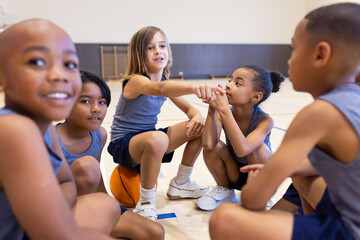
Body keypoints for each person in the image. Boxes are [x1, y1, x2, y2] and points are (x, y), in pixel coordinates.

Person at [0, 19, 164, 240]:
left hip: (53, 216)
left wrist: (61, 206)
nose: (60, 75)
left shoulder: (45, 126)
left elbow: (67, 182)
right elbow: (54, 232)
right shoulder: (13, 128)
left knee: (131, 218)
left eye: (69, 64)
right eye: (37, 61)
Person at [209, 2, 360, 240]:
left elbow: (252, 200)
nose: (288, 62)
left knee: (225, 220)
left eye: (294, 49)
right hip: (347, 206)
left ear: (321, 54)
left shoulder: (318, 113)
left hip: (349, 230)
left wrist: (261, 182)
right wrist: (280, 168)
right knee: (301, 172)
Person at [107, 26, 224, 221]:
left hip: (152, 139)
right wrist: (195, 87)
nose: (158, 51)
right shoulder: (135, 81)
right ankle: (145, 202)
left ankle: (181, 182)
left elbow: (190, 110)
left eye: (162, 46)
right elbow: (161, 89)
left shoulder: (164, 81)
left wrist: (195, 115)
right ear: (138, 55)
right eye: (150, 48)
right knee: (159, 137)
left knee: (200, 126)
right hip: (124, 144)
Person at [196, 65, 284, 211]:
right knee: (214, 147)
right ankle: (225, 191)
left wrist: (223, 110)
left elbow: (244, 150)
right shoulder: (223, 113)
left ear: (255, 97)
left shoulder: (265, 121)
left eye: (238, 83)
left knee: (258, 149)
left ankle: (264, 196)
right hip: (235, 173)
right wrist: (213, 111)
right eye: (230, 80)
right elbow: (208, 144)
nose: (228, 85)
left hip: (259, 174)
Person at [56, 70, 110, 195]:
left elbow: (96, 176)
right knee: (87, 166)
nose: (96, 109)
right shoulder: (49, 141)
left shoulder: (100, 135)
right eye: (85, 101)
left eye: (102, 102)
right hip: (57, 206)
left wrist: (106, 200)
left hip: (86, 202)